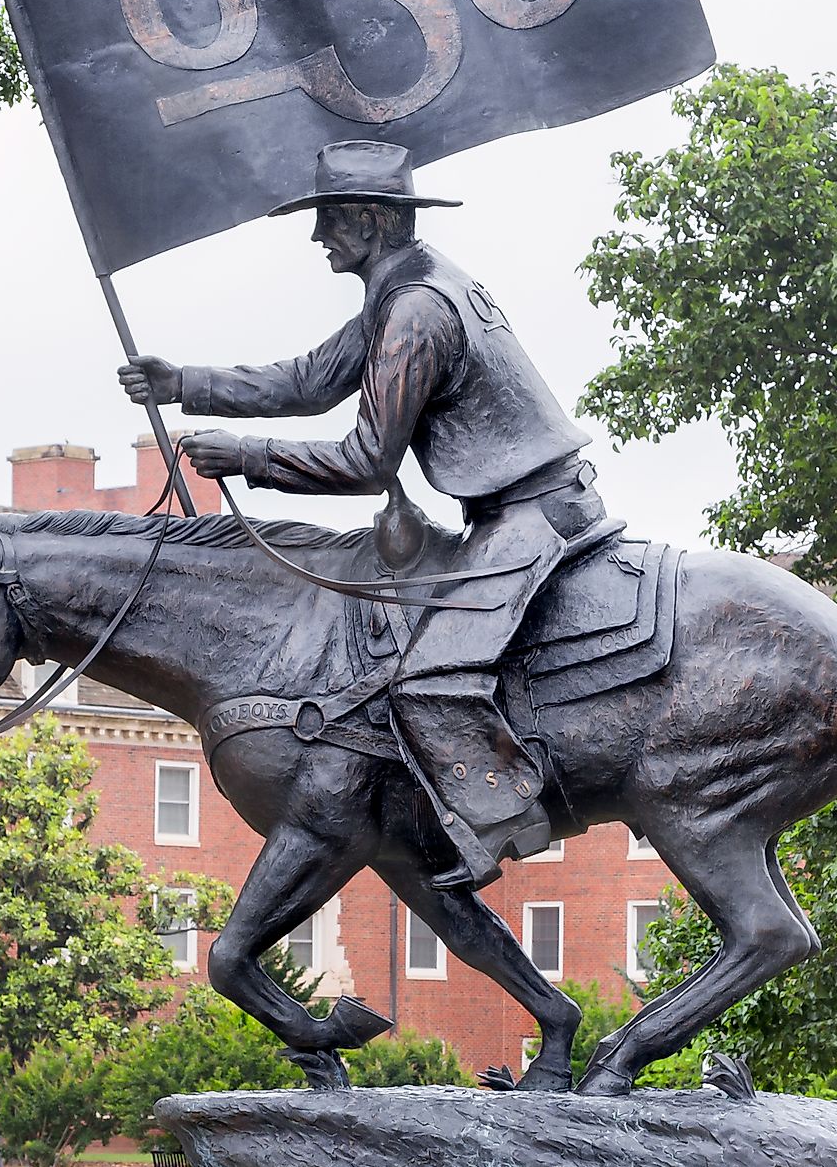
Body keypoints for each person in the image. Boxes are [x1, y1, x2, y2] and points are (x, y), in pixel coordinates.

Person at [118, 140, 605, 889]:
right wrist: (184, 380)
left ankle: (501, 822)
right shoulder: (405, 285)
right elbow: (314, 379)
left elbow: (368, 461)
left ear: (374, 221)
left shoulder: (415, 309)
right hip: (509, 510)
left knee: (427, 671)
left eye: (332, 220)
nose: (319, 238)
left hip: (535, 516)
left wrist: (246, 457)